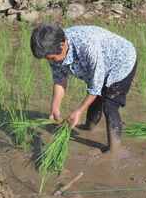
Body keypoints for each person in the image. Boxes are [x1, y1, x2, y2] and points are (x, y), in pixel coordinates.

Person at [30, 23, 137, 154]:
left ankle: (114, 149)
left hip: (121, 61)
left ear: (63, 45)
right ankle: (89, 126)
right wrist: (55, 107)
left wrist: (79, 111)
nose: (52, 61)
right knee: (96, 98)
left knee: (110, 105)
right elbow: (59, 80)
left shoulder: (86, 46)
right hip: (101, 65)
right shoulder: (52, 48)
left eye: (52, 58)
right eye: (48, 59)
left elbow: (95, 87)